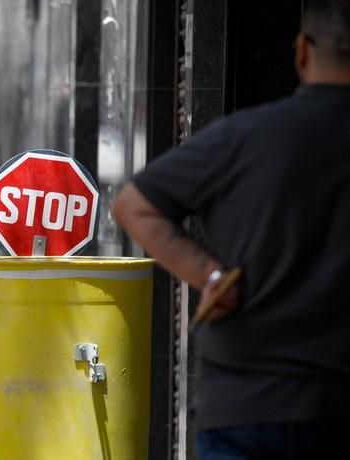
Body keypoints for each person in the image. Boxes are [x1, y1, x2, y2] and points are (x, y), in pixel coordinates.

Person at [113, 1, 350, 458]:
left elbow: (134, 206)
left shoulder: (243, 137)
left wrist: (210, 274)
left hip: (244, 404)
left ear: (302, 51)